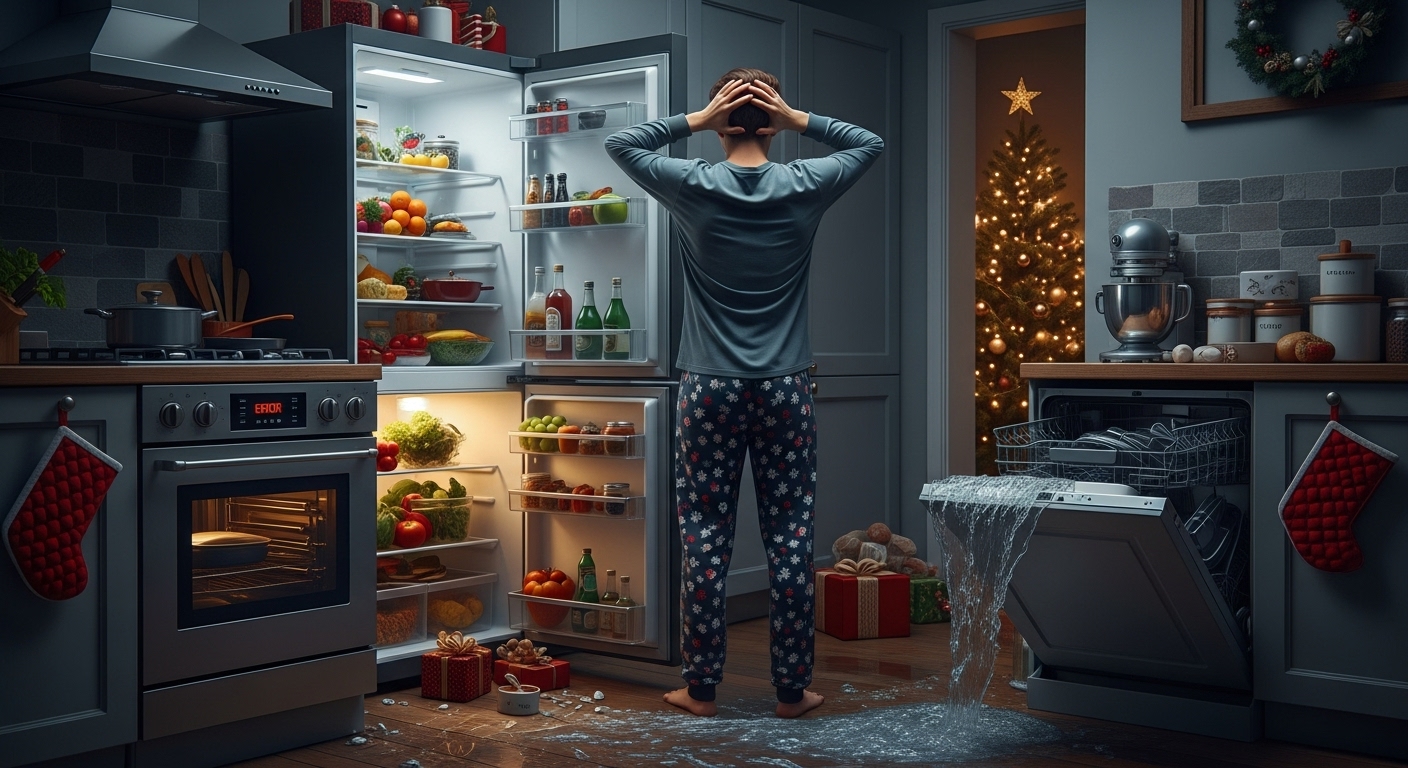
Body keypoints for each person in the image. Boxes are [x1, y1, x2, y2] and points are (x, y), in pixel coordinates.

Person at [606, 68, 884, 718]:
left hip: (707, 389)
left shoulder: (691, 182)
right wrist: (798, 119)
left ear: (722, 114)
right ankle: (793, 691)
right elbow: (867, 143)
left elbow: (624, 146)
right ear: (772, 115)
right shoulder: (804, 183)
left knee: (703, 533)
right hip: (786, 388)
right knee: (790, 535)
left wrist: (696, 123)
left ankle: (699, 688)